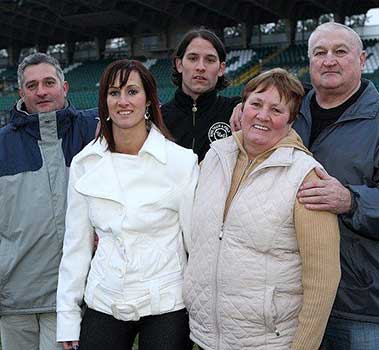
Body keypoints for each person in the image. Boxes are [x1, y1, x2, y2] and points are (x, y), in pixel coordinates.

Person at [183, 68, 341, 350]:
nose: (262, 116)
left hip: (269, 341)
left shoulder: (306, 176)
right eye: (256, 104)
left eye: (276, 110)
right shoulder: (213, 158)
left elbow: (323, 278)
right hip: (207, 337)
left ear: (291, 121)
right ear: (242, 108)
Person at [56, 59, 199, 350]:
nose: (123, 101)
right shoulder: (85, 164)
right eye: (114, 92)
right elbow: (75, 247)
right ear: (104, 102)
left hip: (167, 301)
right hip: (106, 297)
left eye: (132, 91)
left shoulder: (182, 162)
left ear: (149, 100)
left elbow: (195, 243)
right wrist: (68, 318)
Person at [0, 53, 98, 350]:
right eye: (32, 85)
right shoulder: (2, 145)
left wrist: (240, 107)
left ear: (64, 87)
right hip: (14, 296)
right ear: (21, 93)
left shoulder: (93, 130)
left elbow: (153, 111)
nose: (41, 91)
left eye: (48, 82)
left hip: (69, 297)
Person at [295, 22, 379, 350]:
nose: (329, 59)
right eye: (320, 52)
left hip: (359, 301)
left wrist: (351, 200)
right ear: (310, 62)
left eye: (340, 51)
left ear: (361, 59)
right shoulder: (288, 112)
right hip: (293, 294)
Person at [161, 28, 240, 161]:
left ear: (221, 68)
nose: (201, 67)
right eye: (193, 58)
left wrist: (246, 107)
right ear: (179, 64)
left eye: (210, 60)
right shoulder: (159, 118)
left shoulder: (235, 111)